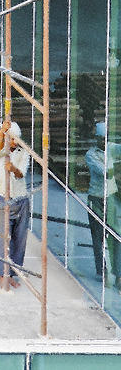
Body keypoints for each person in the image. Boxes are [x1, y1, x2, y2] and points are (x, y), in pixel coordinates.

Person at [0, 119, 30, 289]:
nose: (15, 142)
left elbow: (21, 174)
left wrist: (12, 168)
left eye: (17, 139)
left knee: (19, 240)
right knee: (4, 239)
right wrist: (2, 131)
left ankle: (12, 273)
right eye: (12, 138)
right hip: (3, 199)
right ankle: (2, 274)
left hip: (21, 199)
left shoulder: (23, 152)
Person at [85, 121, 121, 287]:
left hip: (111, 197)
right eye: (100, 139)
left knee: (115, 236)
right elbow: (107, 173)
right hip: (96, 199)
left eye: (105, 139)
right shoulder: (91, 155)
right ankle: (102, 271)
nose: (103, 142)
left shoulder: (111, 147)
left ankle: (118, 273)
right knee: (98, 237)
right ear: (96, 139)